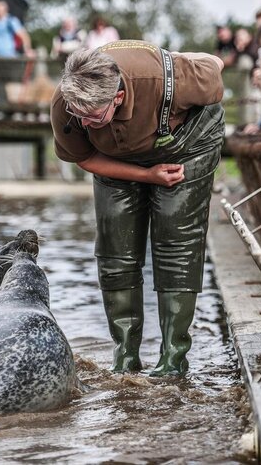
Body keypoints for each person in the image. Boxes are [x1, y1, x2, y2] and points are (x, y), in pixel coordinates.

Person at [50, 41, 225, 377]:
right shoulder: (67, 103)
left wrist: (185, 60)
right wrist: (146, 175)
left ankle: (173, 358)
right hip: (116, 156)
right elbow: (85, 157)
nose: (83, 124)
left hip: (187, 144)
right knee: (115, 245)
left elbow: (214, 63)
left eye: (92, 117)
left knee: (176, 238)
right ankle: (125, 355)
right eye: (78, 115)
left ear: (117, 97)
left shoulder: (165, 79)